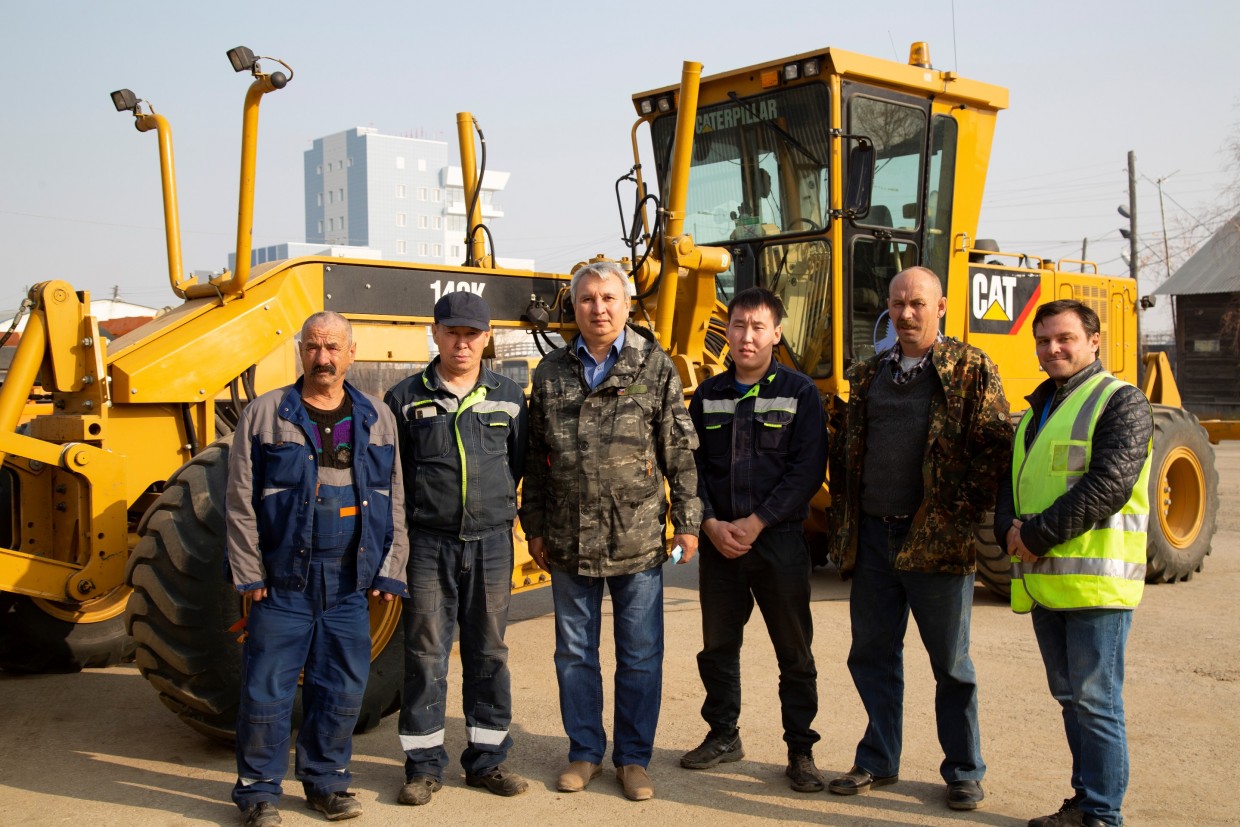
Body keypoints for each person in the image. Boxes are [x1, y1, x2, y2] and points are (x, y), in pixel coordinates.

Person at [826, 266, 1012, 811]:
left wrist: (958, 515)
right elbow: (848, 451)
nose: (906, 314)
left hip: (937, 541)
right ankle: (878, 760)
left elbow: (995, 449)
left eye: (918, 304)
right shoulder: (867, 374)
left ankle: (963, 770)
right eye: (898, 304)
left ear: (942, 307)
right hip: (874, 539)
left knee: (950, 664)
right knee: (872, 655)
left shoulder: (970, 370)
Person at [519, 260, 701, 802]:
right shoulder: (550, 373)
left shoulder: (654, 366)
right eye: (587, 299)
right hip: (568, 538)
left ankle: (633, 759)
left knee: (640, 654)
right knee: (575, 654)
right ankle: (584, 752)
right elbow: (535, 458)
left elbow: (678, 450)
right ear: (574, 308)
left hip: (636, 538)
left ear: (625, 305)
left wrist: (687, 522)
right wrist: (534, 526)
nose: (598, 308)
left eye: (608, 298)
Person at [226, 311, 409, 827]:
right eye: (312, 346)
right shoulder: (266, 414)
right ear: (300, 352)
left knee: (341, 690)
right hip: (284, 583)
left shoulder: (377, 416)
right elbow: (239, 499)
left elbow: (394, 496)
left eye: (332, 347)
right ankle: (259, 793)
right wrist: (249, 572)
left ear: (351, 354)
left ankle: (326, 783)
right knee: (267, 692)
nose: (322, 357)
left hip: (350, 584)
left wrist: (390, 568)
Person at [995, 300, 1153, 827]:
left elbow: (1109, 484)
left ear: (1094, 341)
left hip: (1096, 586)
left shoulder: (1121, 401)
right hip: (1047, 582)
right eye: (1043, 340)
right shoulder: (1037, 410)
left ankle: (1102, 814)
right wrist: (1006, 529)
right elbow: (1013, 483)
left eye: (1064, 338)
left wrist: (1034, 536)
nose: (1052, 349)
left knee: (1096, 701)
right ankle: (1085, 802)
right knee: (1071, 698)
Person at [384, 292, 530, 805]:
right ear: (436, 333)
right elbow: (394, 479)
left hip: (491, 544)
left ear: (487, 338)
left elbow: (519, 463)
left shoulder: (510, 395)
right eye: (452, 333)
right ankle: (423, 767)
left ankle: (487, 761)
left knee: (488, 652)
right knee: (425, 655)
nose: (462, 343)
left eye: (472, 334)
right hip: (428, 546)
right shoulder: (403, 399)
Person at [681, 287, 829, 791]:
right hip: (720, 543)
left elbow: (806, 470)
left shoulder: (800, 393)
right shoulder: (708, 395)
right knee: (718, 648)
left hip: (779, 542)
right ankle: (723, 735)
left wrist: (760, 520)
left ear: (776, 333)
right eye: (739, 325)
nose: (747, 336)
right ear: (728, 331)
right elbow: (691, 468)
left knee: (795, 652)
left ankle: (801, 750)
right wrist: (709, 523)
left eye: (758, 327)